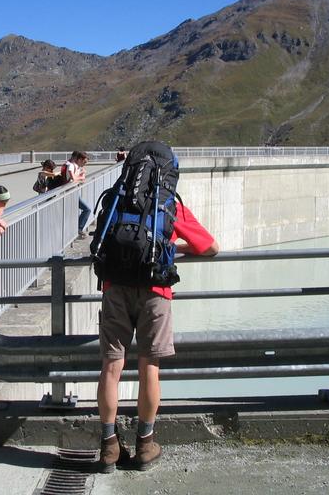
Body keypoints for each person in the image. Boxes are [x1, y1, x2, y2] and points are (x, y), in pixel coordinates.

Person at [97, 200, 219, 473]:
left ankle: (108, 447)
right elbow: (210, 247)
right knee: (149, 366)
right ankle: (145, 445)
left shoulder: (118, 198)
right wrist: (172, 247)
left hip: (114, 286)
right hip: (155, 288)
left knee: (111, 366)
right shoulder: (168, 203)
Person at [60, 151, 91, 238]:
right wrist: (81, 177)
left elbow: (77, 179)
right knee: (87, 209)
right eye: (84, 162)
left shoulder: (75, 167)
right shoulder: (71, 166)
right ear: (79, 159)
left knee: (75, 212)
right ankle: (78, 229)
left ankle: (76, 230)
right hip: (70, 192)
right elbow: (73, 179)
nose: (84, 164)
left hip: (73, 192)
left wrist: (81, 176)